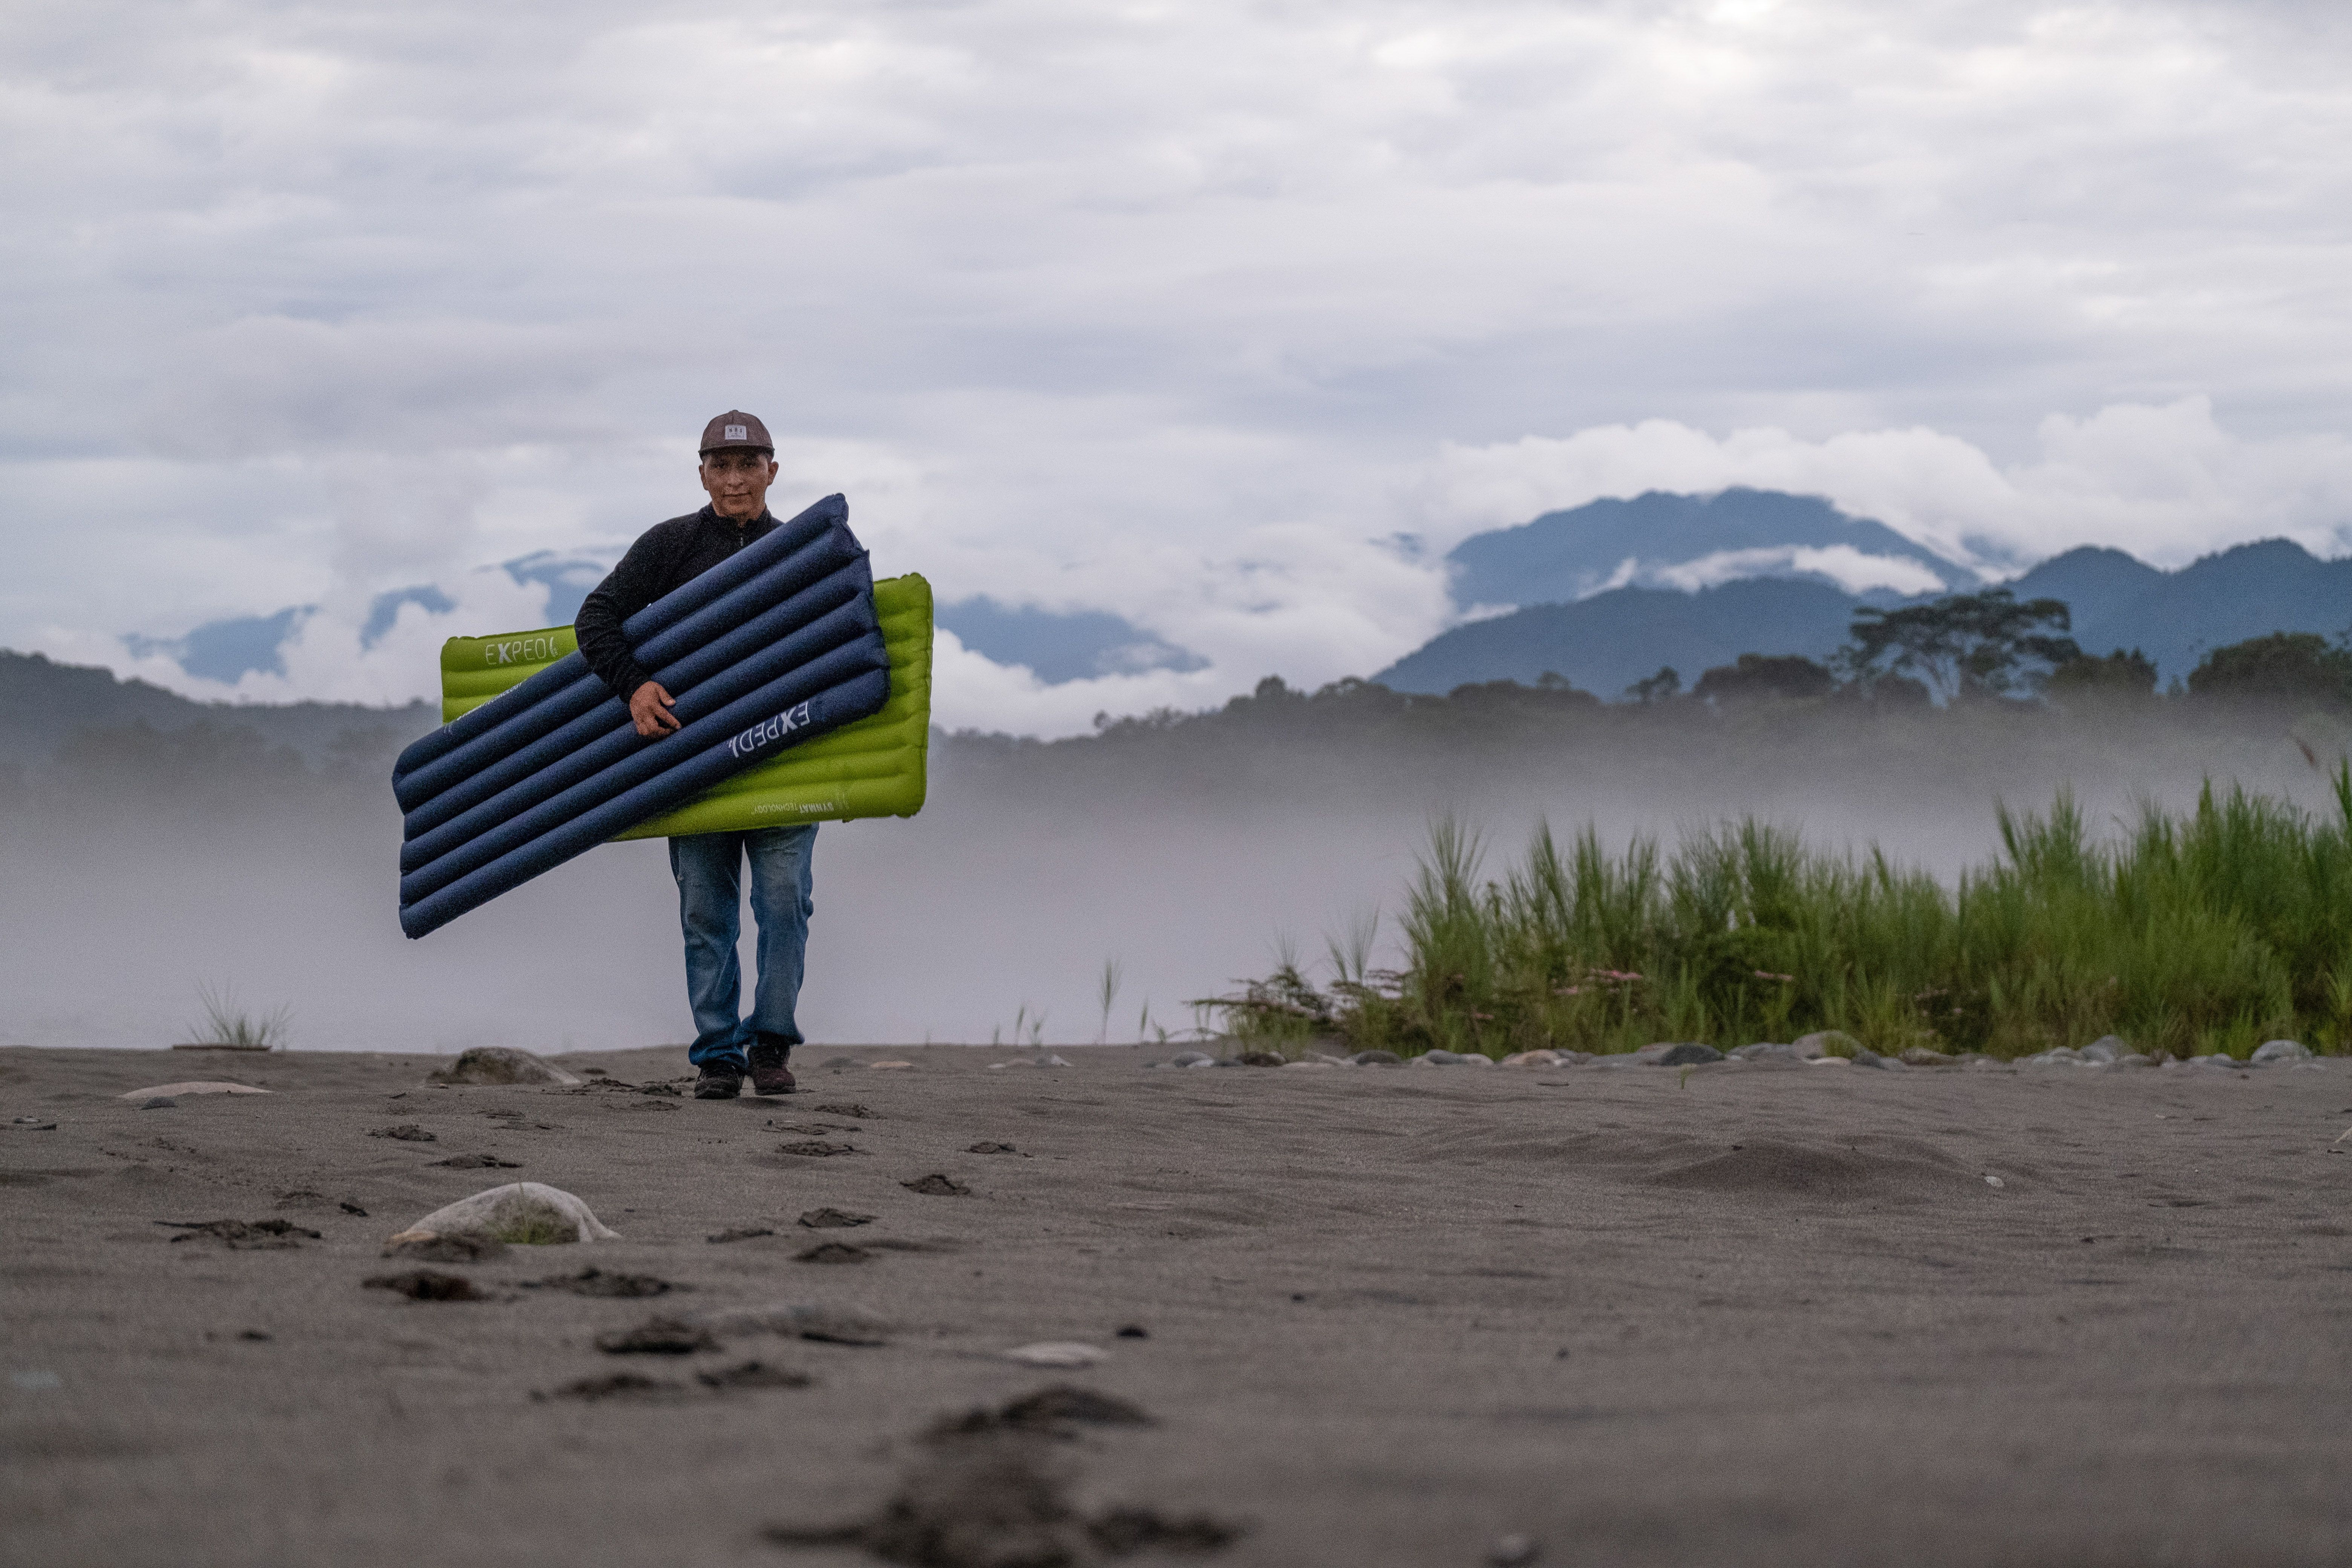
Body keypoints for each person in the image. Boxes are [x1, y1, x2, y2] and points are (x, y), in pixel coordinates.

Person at [574, 410, 813, 1099]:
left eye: (749, 464)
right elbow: (597, 618)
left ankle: (770, 1045)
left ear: (774, 468)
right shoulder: (670, 545)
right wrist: (634, 687)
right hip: (691, 764)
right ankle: (718, 1055)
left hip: (780, 762)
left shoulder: (802, 550)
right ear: (701, 471)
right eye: (721, 465)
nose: (735, 479)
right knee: (706, 912)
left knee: (784, 904)